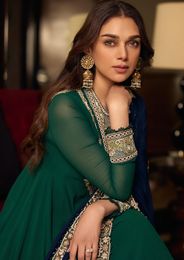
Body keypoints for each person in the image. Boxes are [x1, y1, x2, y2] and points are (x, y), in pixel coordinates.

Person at [0, 0, 173, 259]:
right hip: (49, 213)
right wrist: (117, 112)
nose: (123, 54)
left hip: (97, 205)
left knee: (135, 229)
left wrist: (99, 209)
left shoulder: (134, 104)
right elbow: (120, 188)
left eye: (133, 43)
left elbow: (135, 183)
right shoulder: (66, 106)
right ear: (89, 48)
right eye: (110, 42)